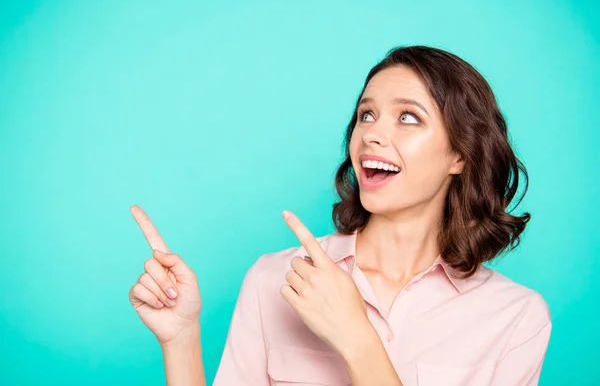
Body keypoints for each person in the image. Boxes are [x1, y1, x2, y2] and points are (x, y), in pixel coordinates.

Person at [128, 45, 552, 386]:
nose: (372, 134)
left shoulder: (516, 318)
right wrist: (181, 339)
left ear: (460, 154)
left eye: (408, 117)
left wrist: (356, 339)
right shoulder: (275, 280)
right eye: (367, 115)